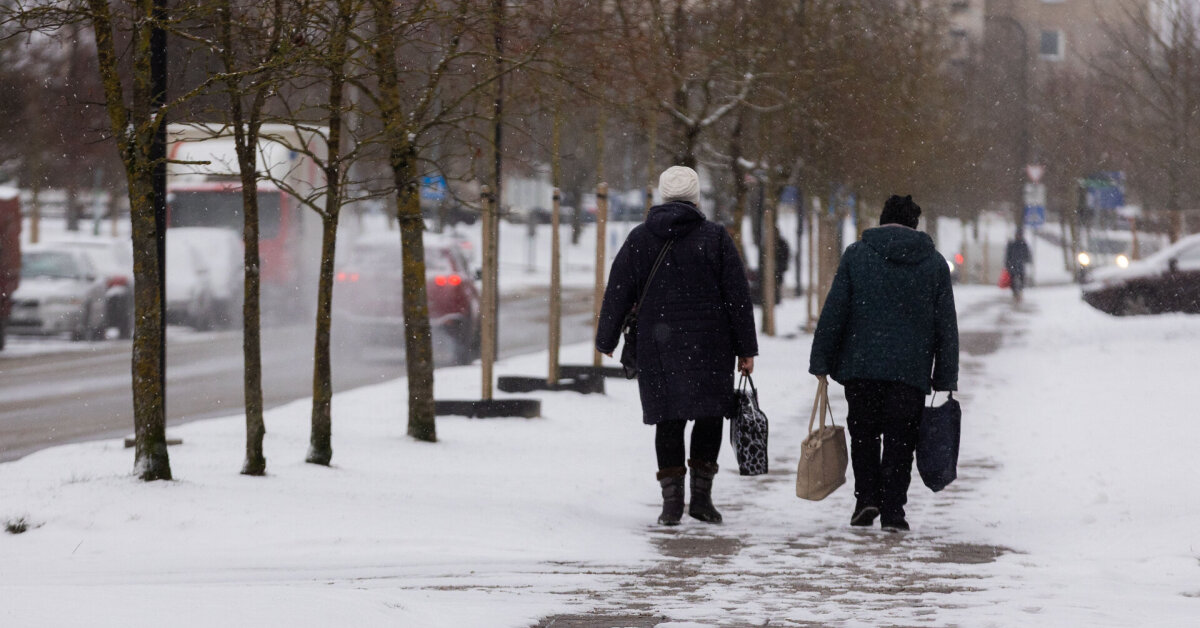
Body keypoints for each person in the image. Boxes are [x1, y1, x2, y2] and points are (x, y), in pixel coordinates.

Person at [596, 165, 758, 527]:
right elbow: (738, 297)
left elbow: (618, 290)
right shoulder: (716, 238)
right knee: (708, 417)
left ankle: (671, 505)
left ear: (660, 197)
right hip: (711, 346)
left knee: (668, 421)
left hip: (658, 345)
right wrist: (746, 348)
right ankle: (702, 500)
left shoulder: (640, 238)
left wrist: (606, 338)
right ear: (697, 198)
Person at [808, 194, 958, 532]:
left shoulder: (857, 255)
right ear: (914, 224)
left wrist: (821, 359)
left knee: (864, 435)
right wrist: (945, 373)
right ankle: (894, 510)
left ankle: (866, 499)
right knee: (901, 440)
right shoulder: (933, 264)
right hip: (909, 370)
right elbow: (945, 324)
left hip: (861, 366)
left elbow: (835, 311)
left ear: (882, 218)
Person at [1005, 230, 1032, 301]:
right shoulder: (1012, 244)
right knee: (1013, 280)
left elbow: (1027, 254)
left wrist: (1027, 260)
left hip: (1019, 265)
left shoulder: (1023, 244)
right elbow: (1008, 255)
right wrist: (1007, 264)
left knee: (1021, 279)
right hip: (1013, 265)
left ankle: (1019, 292)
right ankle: (1015, 293)